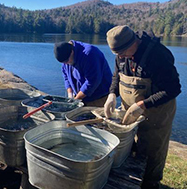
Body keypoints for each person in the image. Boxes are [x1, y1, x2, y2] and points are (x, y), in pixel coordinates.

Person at [104, 25, 181, 189]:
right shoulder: (121, 55)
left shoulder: (157, 56)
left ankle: (150, 183)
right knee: (127, 146)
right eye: (117, 55)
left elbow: (173, 89)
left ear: (134, 42)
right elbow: (117, 76)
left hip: (156, 113)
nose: (120, 57)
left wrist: (143, 104)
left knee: (152, 152)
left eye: (122, 53)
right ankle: (130, 180)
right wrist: (112, 94)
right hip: (130, 110)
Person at [54, 40, 112, 106]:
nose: (66, 64)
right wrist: (70, 95)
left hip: (98, 98)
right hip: (81, 98)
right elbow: (66, 76)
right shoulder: (65, 56)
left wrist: (75, 100)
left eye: (66, 61)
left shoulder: (90, 54)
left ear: (72, 52)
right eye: (63, 63)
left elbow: (92, 82)